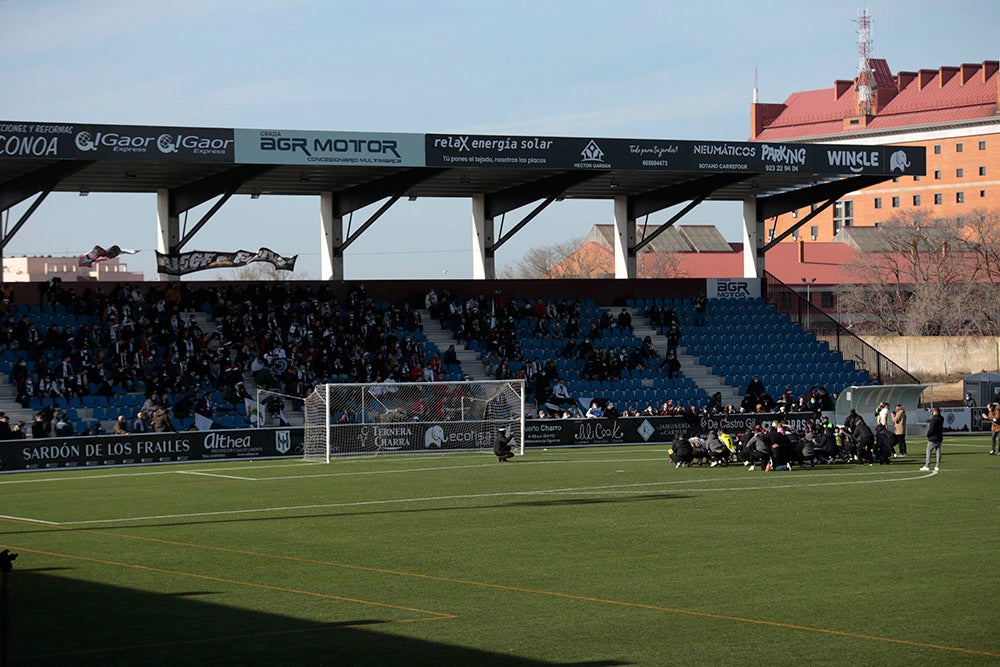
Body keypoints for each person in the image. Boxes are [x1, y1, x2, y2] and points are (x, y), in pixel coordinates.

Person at [920, 407, 944, 472]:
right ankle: (937, 465)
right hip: (939, 437)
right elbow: (936, 415)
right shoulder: (941, 418)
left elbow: (931, 429)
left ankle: (927, 465)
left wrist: (928, 434)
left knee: (928, 451)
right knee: (938, 451)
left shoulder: (934, 420)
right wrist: (930, 411)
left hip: (933, 438)